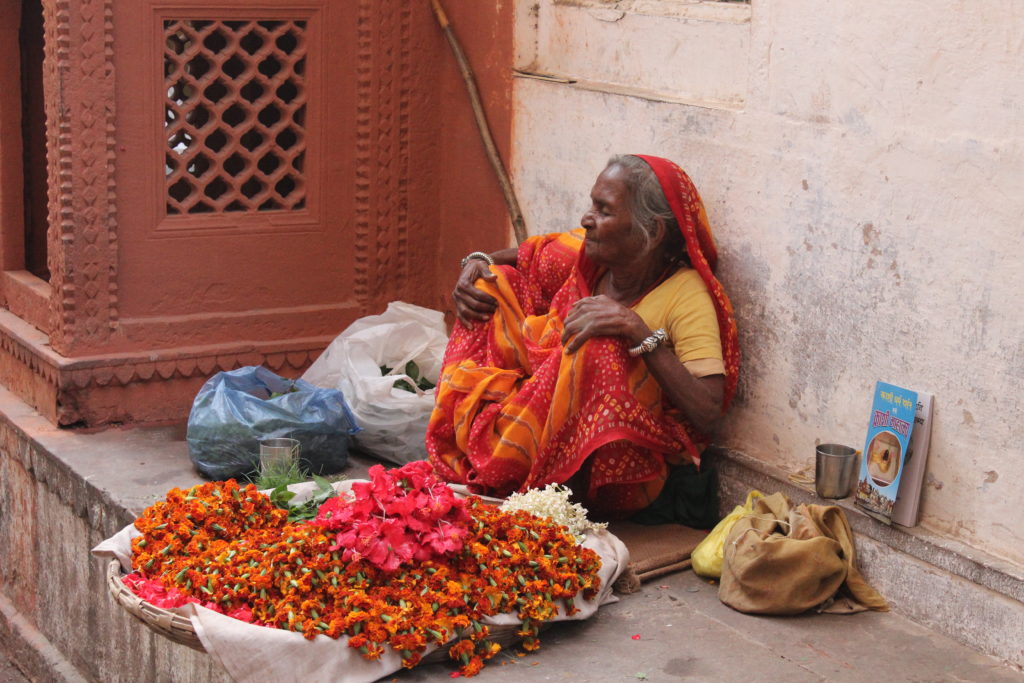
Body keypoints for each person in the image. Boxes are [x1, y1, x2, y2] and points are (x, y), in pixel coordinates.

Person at [426, 155, 740, 517]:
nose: (586, 219)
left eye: (603, 210)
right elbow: (521, 257)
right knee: (490, 285)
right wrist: (475, 262)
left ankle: (547, 492)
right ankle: (485, 455)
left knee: (600, 342)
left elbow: (708, 412)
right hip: (536, 412)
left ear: (652, 232)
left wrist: (636, 330)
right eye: (593, 204)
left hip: (616, 467)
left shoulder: (686, 295)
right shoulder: (588, 255)